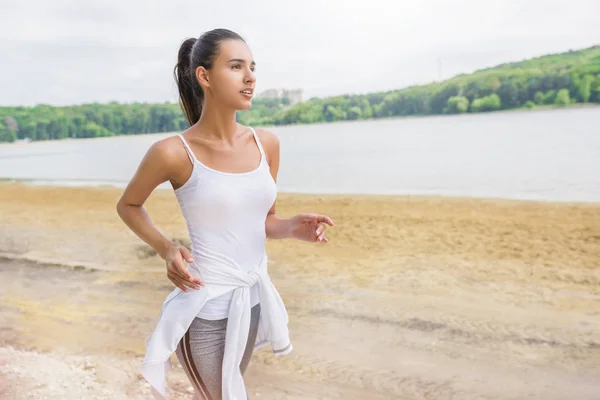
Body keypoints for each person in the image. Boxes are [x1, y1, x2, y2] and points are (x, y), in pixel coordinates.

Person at [116, 28, 334, 400]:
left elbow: (265, 221)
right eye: (236, 66)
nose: (250, 77)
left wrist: (292, 228)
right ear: (204, 76)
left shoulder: (266, 144)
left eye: (252, 67)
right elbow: (129, 205)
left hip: (249, 302)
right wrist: (165, 247)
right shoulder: (172, 152)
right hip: (202, 310)